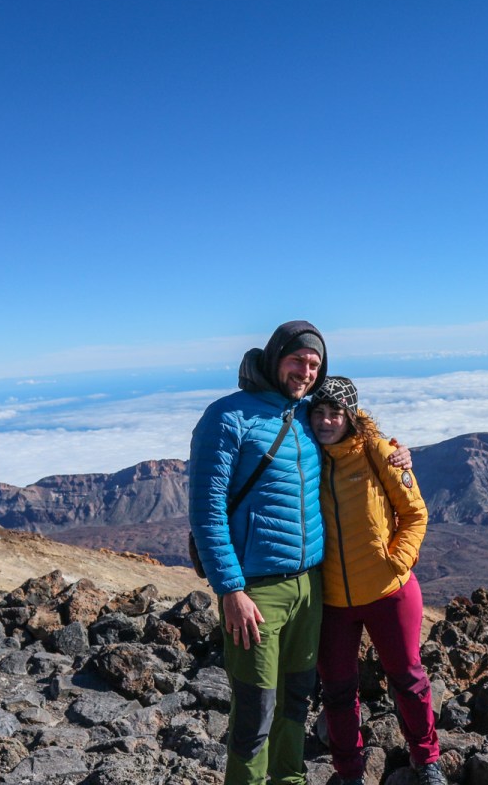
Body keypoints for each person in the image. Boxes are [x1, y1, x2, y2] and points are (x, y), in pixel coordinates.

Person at [188, 321, 408, 785]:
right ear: (275, 358)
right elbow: (206, 512)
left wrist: (397, 453)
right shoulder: (228, 417)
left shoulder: (308, 415)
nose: (305, 372)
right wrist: (230, 589)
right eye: (297, 360)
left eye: (314, 364)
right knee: (256, 708)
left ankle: (289, 779)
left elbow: (351, 433)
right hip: (255, 592)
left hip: (311, 586)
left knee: (296, 699)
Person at [309, 376, 445, 785]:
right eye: (319, 412)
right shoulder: (305, 455)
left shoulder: (379, 452)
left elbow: (415, 514)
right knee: (336, 690)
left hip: (389, 591)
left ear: (350, 417)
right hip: (333, 599)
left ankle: (427, 760)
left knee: (408, 679)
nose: (326, 421)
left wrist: (397, 562)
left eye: (335, 413)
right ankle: (350, 773)